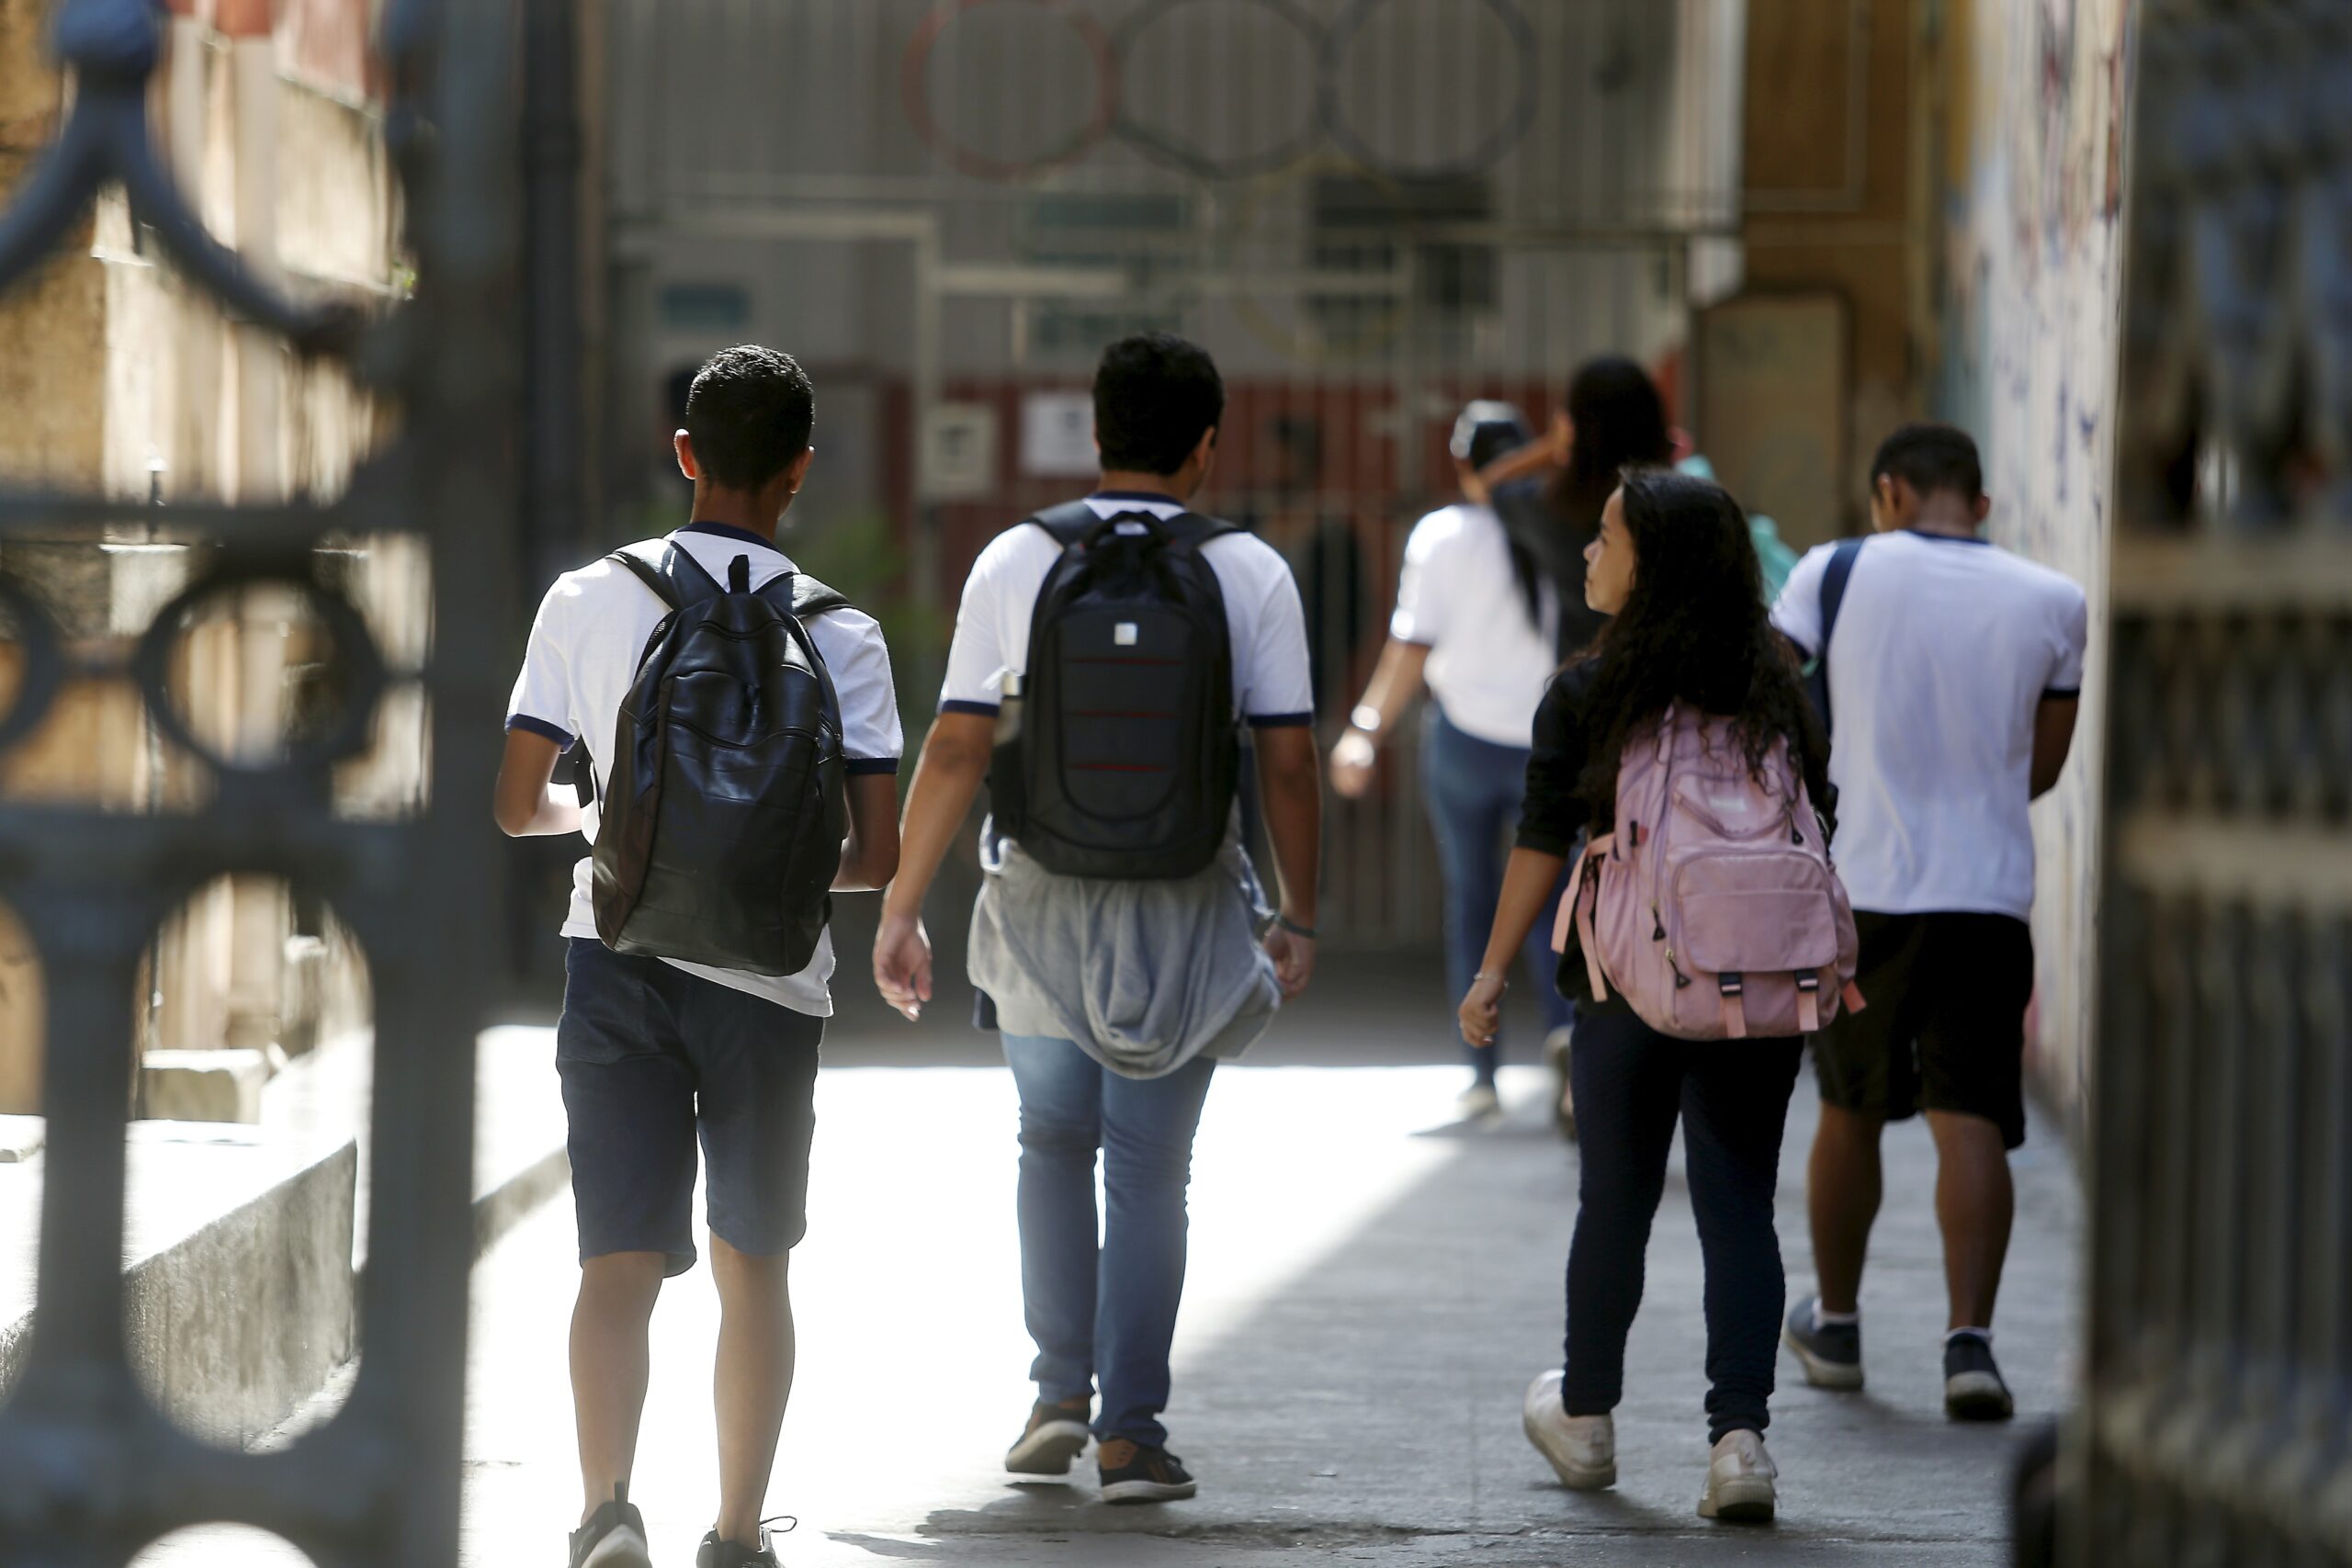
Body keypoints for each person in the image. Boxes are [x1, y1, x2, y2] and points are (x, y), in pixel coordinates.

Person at [873, 333, 1321, 1506]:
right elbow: (1286, 764)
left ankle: (1055, 1396)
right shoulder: (1251, 572)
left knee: (1049, 1142)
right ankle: (1131, 1436)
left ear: (1095, 432)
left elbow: (957, 746)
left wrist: (902, 906)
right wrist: (1301, 912)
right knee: (1149, 1172)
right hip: (1185, 904)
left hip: (1038, 902)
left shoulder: (1017, 558)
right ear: (1206, 446)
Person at [494, 345, 905, 1568]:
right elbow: (876, 856)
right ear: (800, 472)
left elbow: (514, 806)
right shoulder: (845, 633)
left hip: (615, 955)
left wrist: (610, 824)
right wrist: (757, 868)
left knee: (616, 1258)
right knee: (754, 1266)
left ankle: (607, 1511)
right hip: (771, 984)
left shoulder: (588, 597)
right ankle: (732, 1535)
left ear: (685, 453)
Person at [1461, 469, 1829, 1523]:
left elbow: (1542, 837)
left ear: (1649, 564)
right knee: (1739, 1205)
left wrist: (1490, 973)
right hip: (1756, 982)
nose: (1587, 552)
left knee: (1614, 1202)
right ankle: (1739, 1443)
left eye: (1606, 538)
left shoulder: (1589, 693)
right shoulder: (1777, 689)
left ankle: (1585, 1418)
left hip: (1623, 982)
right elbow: (1820, 817)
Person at [1775, 423, 2086, 1422]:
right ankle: (1969, 1349)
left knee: (1849, 1109)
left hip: (1862, 890)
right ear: (1980, 505)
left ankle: (1836, 1326)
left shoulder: (1832, 571)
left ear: (1889, 493)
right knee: (1972, 1117)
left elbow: (1770, 699)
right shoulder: (2054, 600)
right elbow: (2040, 767)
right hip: (1987, 895)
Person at [1329, 402, 1572, 1123]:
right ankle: (1566, 1049)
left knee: (1472, 902)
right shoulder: (1562, 526)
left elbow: (1412, 646)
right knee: (1552, 908)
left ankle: (1481, 1075)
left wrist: (1365, 729)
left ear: (1463, 465)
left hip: (1462, 742)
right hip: (1547, 745)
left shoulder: (1440, 535)